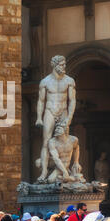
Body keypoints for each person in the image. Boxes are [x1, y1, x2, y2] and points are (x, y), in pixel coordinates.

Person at [35, 55, 76, 183]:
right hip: (50, 111)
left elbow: (72, 100)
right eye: (61, 65)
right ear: (54, 65)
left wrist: (69, 117)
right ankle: (44, 172)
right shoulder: (45, 82)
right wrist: (39, 118)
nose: (64, 67)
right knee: (46, 141)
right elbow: (41, 101)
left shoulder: (69, 81)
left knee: (65, 139)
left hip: (63, 110)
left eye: (64, 64)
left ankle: (67, 169)